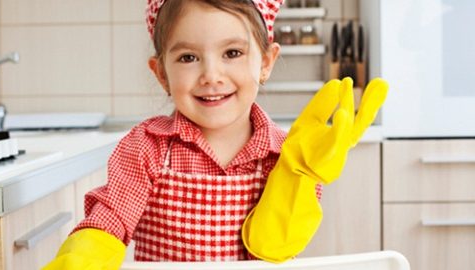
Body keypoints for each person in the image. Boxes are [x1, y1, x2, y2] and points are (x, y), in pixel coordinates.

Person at [43, 0, 388, 269]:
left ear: (266, 62)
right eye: (189, 57)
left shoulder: (289, 154)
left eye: (232, 53)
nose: (211, 74)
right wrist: (83, 257)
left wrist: (298, 174)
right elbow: (111, 219)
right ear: (161, 72)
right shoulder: (145, 148)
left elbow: (273, 247)